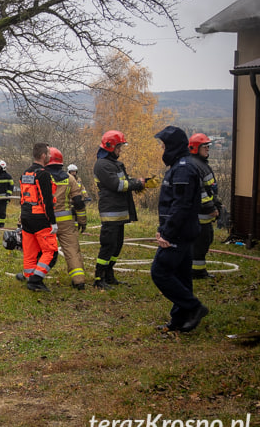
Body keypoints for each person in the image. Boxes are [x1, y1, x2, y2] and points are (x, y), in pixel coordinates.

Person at [151, 126, 208, 332]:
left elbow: (181, 205)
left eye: (164, 145)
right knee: (182, 276)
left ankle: (194, 308)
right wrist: (161, 228)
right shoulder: (179, 166)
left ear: (173, 146)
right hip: (180, 231)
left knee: (160, 272)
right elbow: (170, 204)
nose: (162, 150)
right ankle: (179, 320)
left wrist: (167, 233)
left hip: (179, 233)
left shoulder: (183, 168)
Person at [92, 130, 155, 289]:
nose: (120, 150)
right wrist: (137, 184)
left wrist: (142, 182)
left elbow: (125, 181)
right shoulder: (102, 165)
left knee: (117, 245)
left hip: (120, 211)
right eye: (118, 147)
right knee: (108, 245)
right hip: (111, 211)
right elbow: (118, 185)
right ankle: (99, 278)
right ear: (109, 146)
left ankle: (109, 274)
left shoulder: (115, 164)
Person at [17, 142, 58, 292]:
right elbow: (47, 200)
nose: (49, 156)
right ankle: (35, 280)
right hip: (40, 218)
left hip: (26, 217)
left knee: (30, 251)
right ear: (42, 156)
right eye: (48, 153)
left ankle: (29, 275)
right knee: (51, 252)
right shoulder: (43, 174)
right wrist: (53, 222)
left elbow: (23, 197)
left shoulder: (25, 173)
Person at [46, 147, 88, 289]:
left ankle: (34, 276)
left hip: (45, 222)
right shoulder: (70, 179)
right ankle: (79, 280)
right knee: (72, 250)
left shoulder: (41, 176)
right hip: (66, 222)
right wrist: (82, 221)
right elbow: (78, 201)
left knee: (41, 250)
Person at [188, 133, 220, 279]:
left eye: (208, 146)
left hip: (204, 215)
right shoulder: (195, 165)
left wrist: (217, 203)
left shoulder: (201, 164)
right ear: (195, 148)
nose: (208, 149)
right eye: (204, 146)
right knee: (199, 244)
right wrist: (211, 208)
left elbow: (210, 189)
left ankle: (199, 271)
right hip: (200, 215)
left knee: (205, 242)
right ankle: (197, 272)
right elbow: (200, 192)